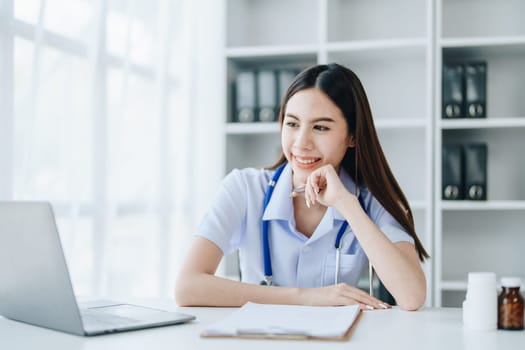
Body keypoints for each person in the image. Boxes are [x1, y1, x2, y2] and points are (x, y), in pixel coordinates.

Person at [176, 63, 429, 311]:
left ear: (352, 136)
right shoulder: (243, 188)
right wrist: (307, 297)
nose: (301, 143)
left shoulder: (369, 200)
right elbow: (187, 287)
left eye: (320, 127)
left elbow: (412, 296)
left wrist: (346, 204)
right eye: (293, 124)